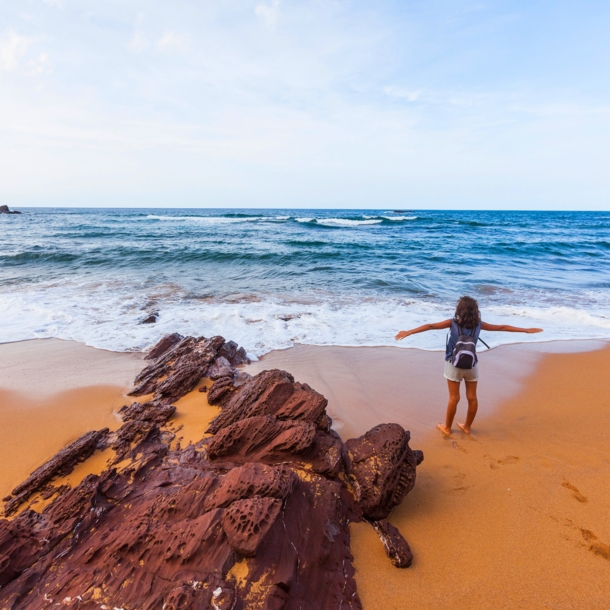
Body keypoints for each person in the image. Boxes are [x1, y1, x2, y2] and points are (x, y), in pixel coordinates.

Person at [395, 296, 543, 435]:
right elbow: (502, 327)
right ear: (475, 311)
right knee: (472, 398)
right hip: (471, 365)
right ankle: (467, 427)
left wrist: (409, 332)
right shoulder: (479, 325)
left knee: (454, 398)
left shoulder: (452, 323)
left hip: (453, 365)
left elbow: (431, 326)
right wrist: (525, 330)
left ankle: (447, 428)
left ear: (459, 310)